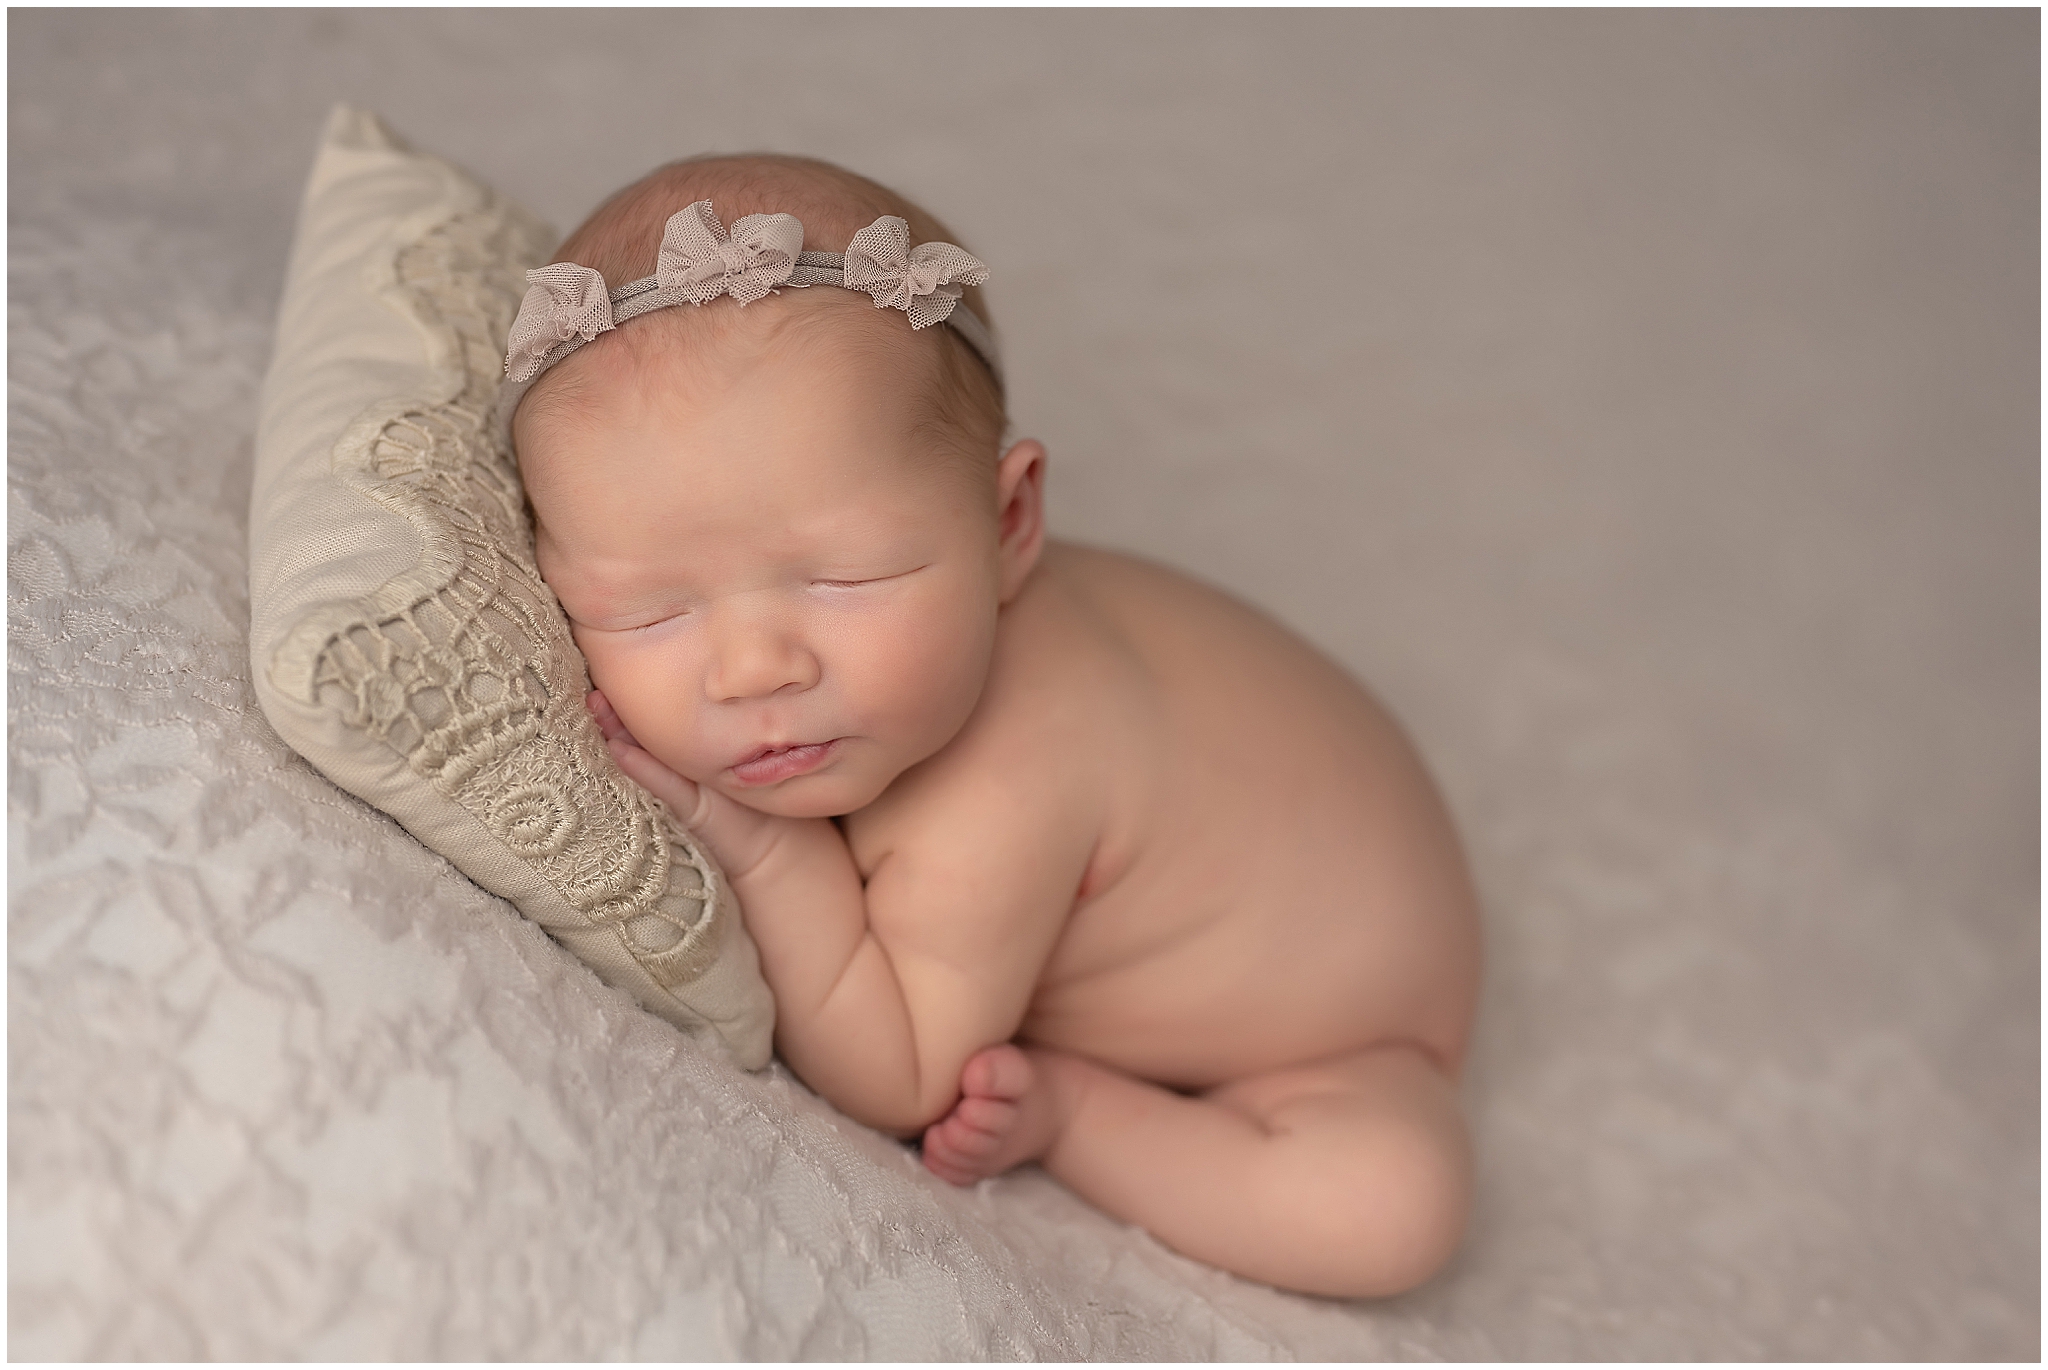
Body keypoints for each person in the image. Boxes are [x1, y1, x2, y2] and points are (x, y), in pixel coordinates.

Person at [504, 153, 1481, 1299]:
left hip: (1341, 1032)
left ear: (1007, 521)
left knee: (1384, 1211)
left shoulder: (1008, 770)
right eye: (650, 609)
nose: (755, 666)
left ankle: (1078, 1107)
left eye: (845, 579)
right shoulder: (899, 689)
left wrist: (769, 848)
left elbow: (905, 1066)